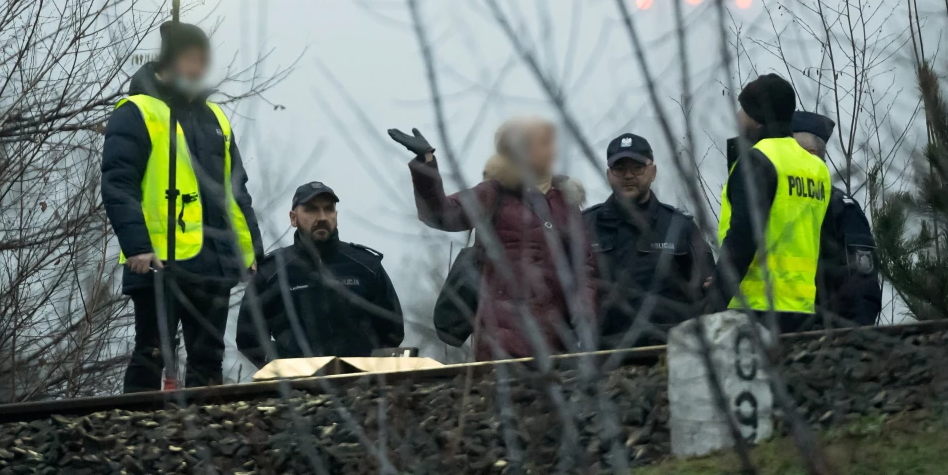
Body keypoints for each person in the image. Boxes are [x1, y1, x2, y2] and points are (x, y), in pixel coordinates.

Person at [101, 21, 263, 391]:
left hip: (214, 259)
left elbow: (236, 192)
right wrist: (138, 246)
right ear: (170, 60)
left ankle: (206, 438)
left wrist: (250, 249)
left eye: (203, 59)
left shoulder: (216, 118)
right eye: (192, 58)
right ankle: (135, 434)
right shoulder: (137, 111)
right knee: (153, 352)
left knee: (208, 360)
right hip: (159, 258)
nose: (199, 68)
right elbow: (118, 182)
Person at [394, 117, 597, 360]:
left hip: (558, 342)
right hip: (500, 343)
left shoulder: (566, 202)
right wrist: (425, 164)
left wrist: (585, 317)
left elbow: (585, 268)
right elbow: (441, 214)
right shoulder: (492, 194)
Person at [235, 181, 404, 367]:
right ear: (293, 218)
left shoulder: (366, 265)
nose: (322, 217)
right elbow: (248, 338)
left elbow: (393, 329)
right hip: (295, 388)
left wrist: (367, 366)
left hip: (360, 385)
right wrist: (282, 366)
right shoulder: (272, 272)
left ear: (336, 215)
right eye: (311, 210)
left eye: (329, 209)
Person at [716, 74, 832, 334]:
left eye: (743, 109)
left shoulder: (756, 162)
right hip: (801, 307)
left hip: (753, 307)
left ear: (756, 117)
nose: (737, 117)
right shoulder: (817, 168)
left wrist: (711, 304)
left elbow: (742, 239)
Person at [584, 133, 715, 352]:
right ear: (608, 174)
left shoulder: (679, 226)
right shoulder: (585, 226)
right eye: (619, 168)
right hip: (605, 353)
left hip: (670, 351)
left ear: (653, 172)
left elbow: (708, 287)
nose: (628, 176)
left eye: (637, 167)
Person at [792, 111, 883, 327]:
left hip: (826, 338)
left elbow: (860, 285)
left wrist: (855, 345)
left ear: (809, 154)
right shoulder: (771, 206)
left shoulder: (838, 208)